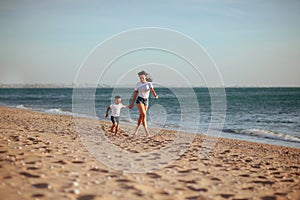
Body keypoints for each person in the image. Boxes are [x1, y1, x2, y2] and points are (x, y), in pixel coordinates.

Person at [129, 70, 158, 137]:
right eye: (140, 78)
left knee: (141, 116)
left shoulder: (149, 83)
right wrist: (132, 103)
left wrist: (155, 95)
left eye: (143, 78)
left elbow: (152, 90)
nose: (141, 79)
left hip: (146, 101)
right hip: (139, 100)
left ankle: (136, 130)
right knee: (144, 115)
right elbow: (135, 94)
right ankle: (147, 132)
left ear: (145, 77)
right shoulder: (138, 84)